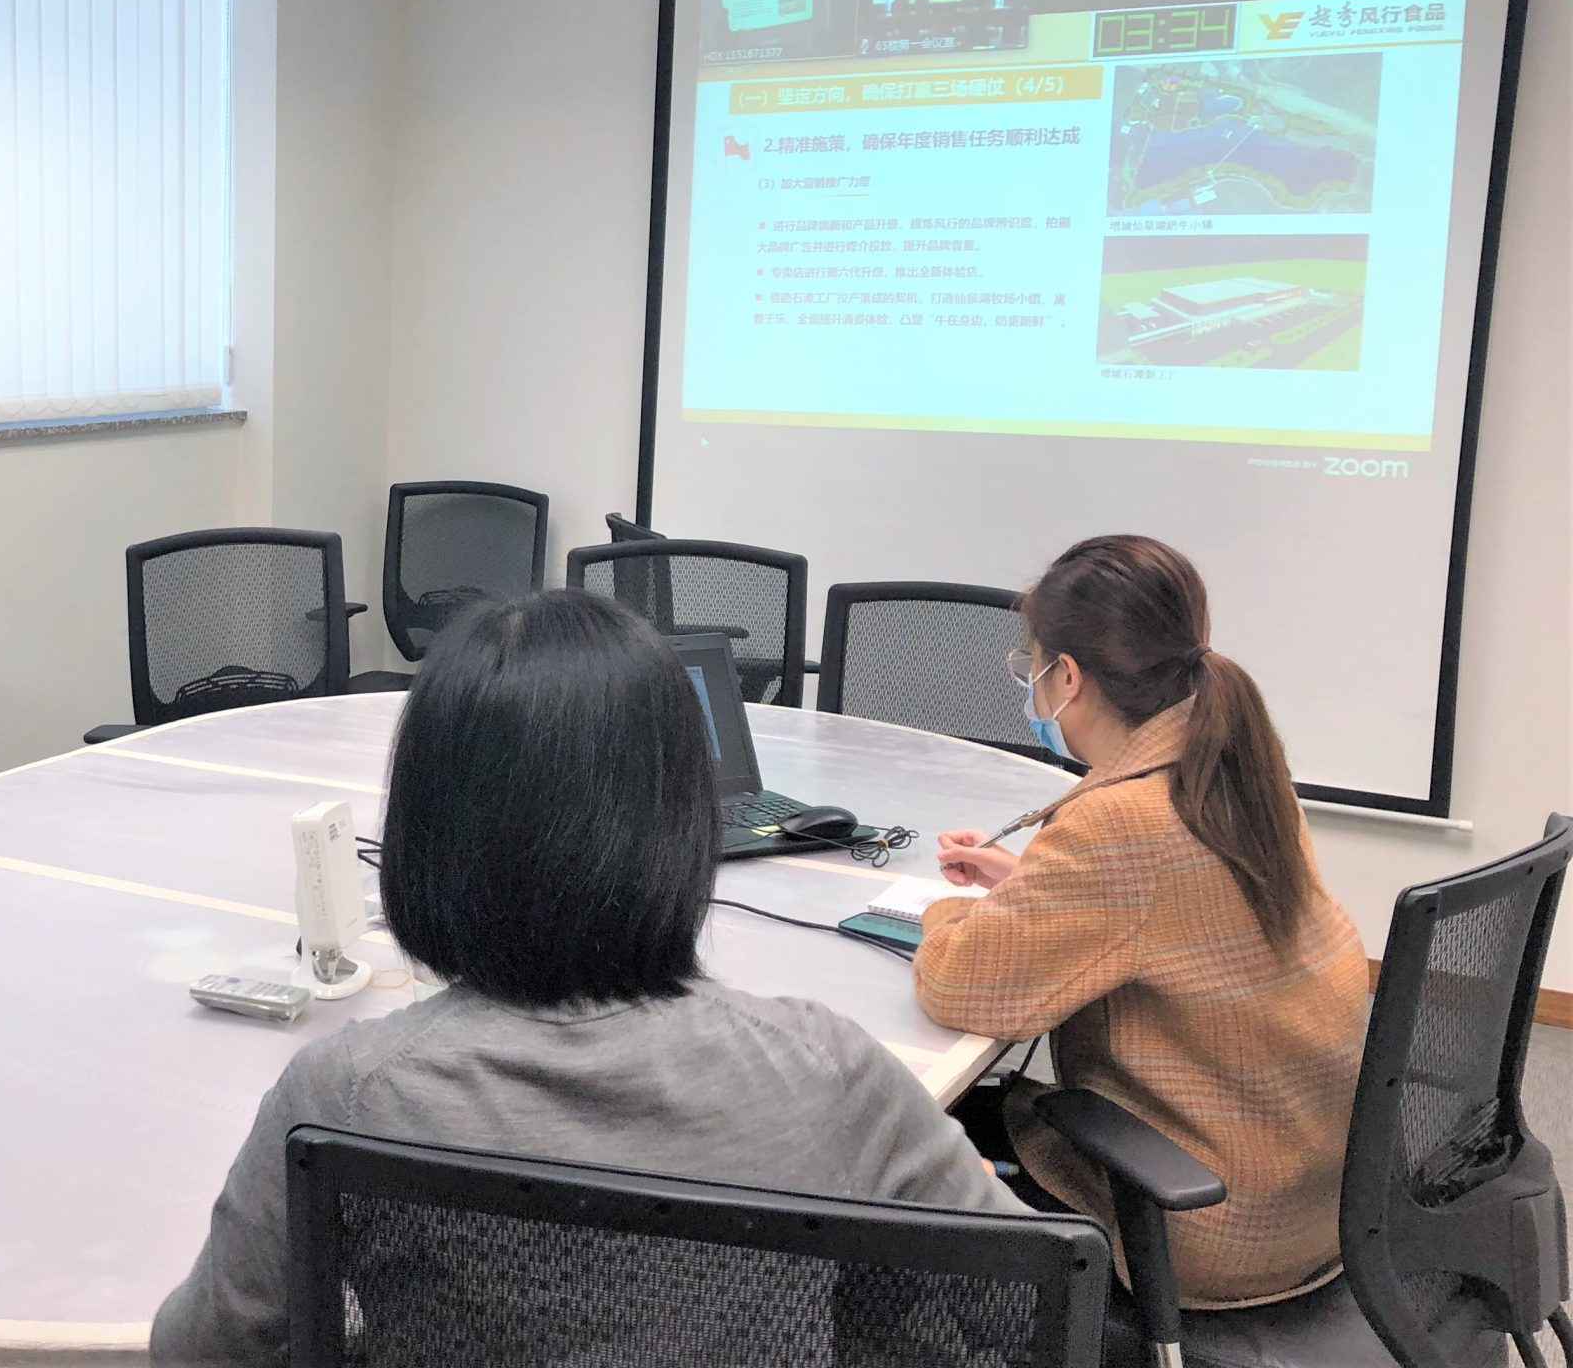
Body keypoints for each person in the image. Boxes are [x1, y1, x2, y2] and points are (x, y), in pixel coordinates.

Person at [151, 590, 1020, 1366]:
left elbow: (206, 1350)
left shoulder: (346, 1093)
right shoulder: (828, 1072)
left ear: (426, 831)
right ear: (683, 820)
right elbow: (1033, 1307)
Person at [914, 534, 1369, 1310]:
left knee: (907, 1134)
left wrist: (944, 908)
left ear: (1068, 677)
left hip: (1202, 1222)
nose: (1033, 685)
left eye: (1033, 667)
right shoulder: (1233, 768)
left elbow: (960, 986)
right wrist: (1030, 883)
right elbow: (1179, 914)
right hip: (1312, 1196)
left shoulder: (1122, 823)